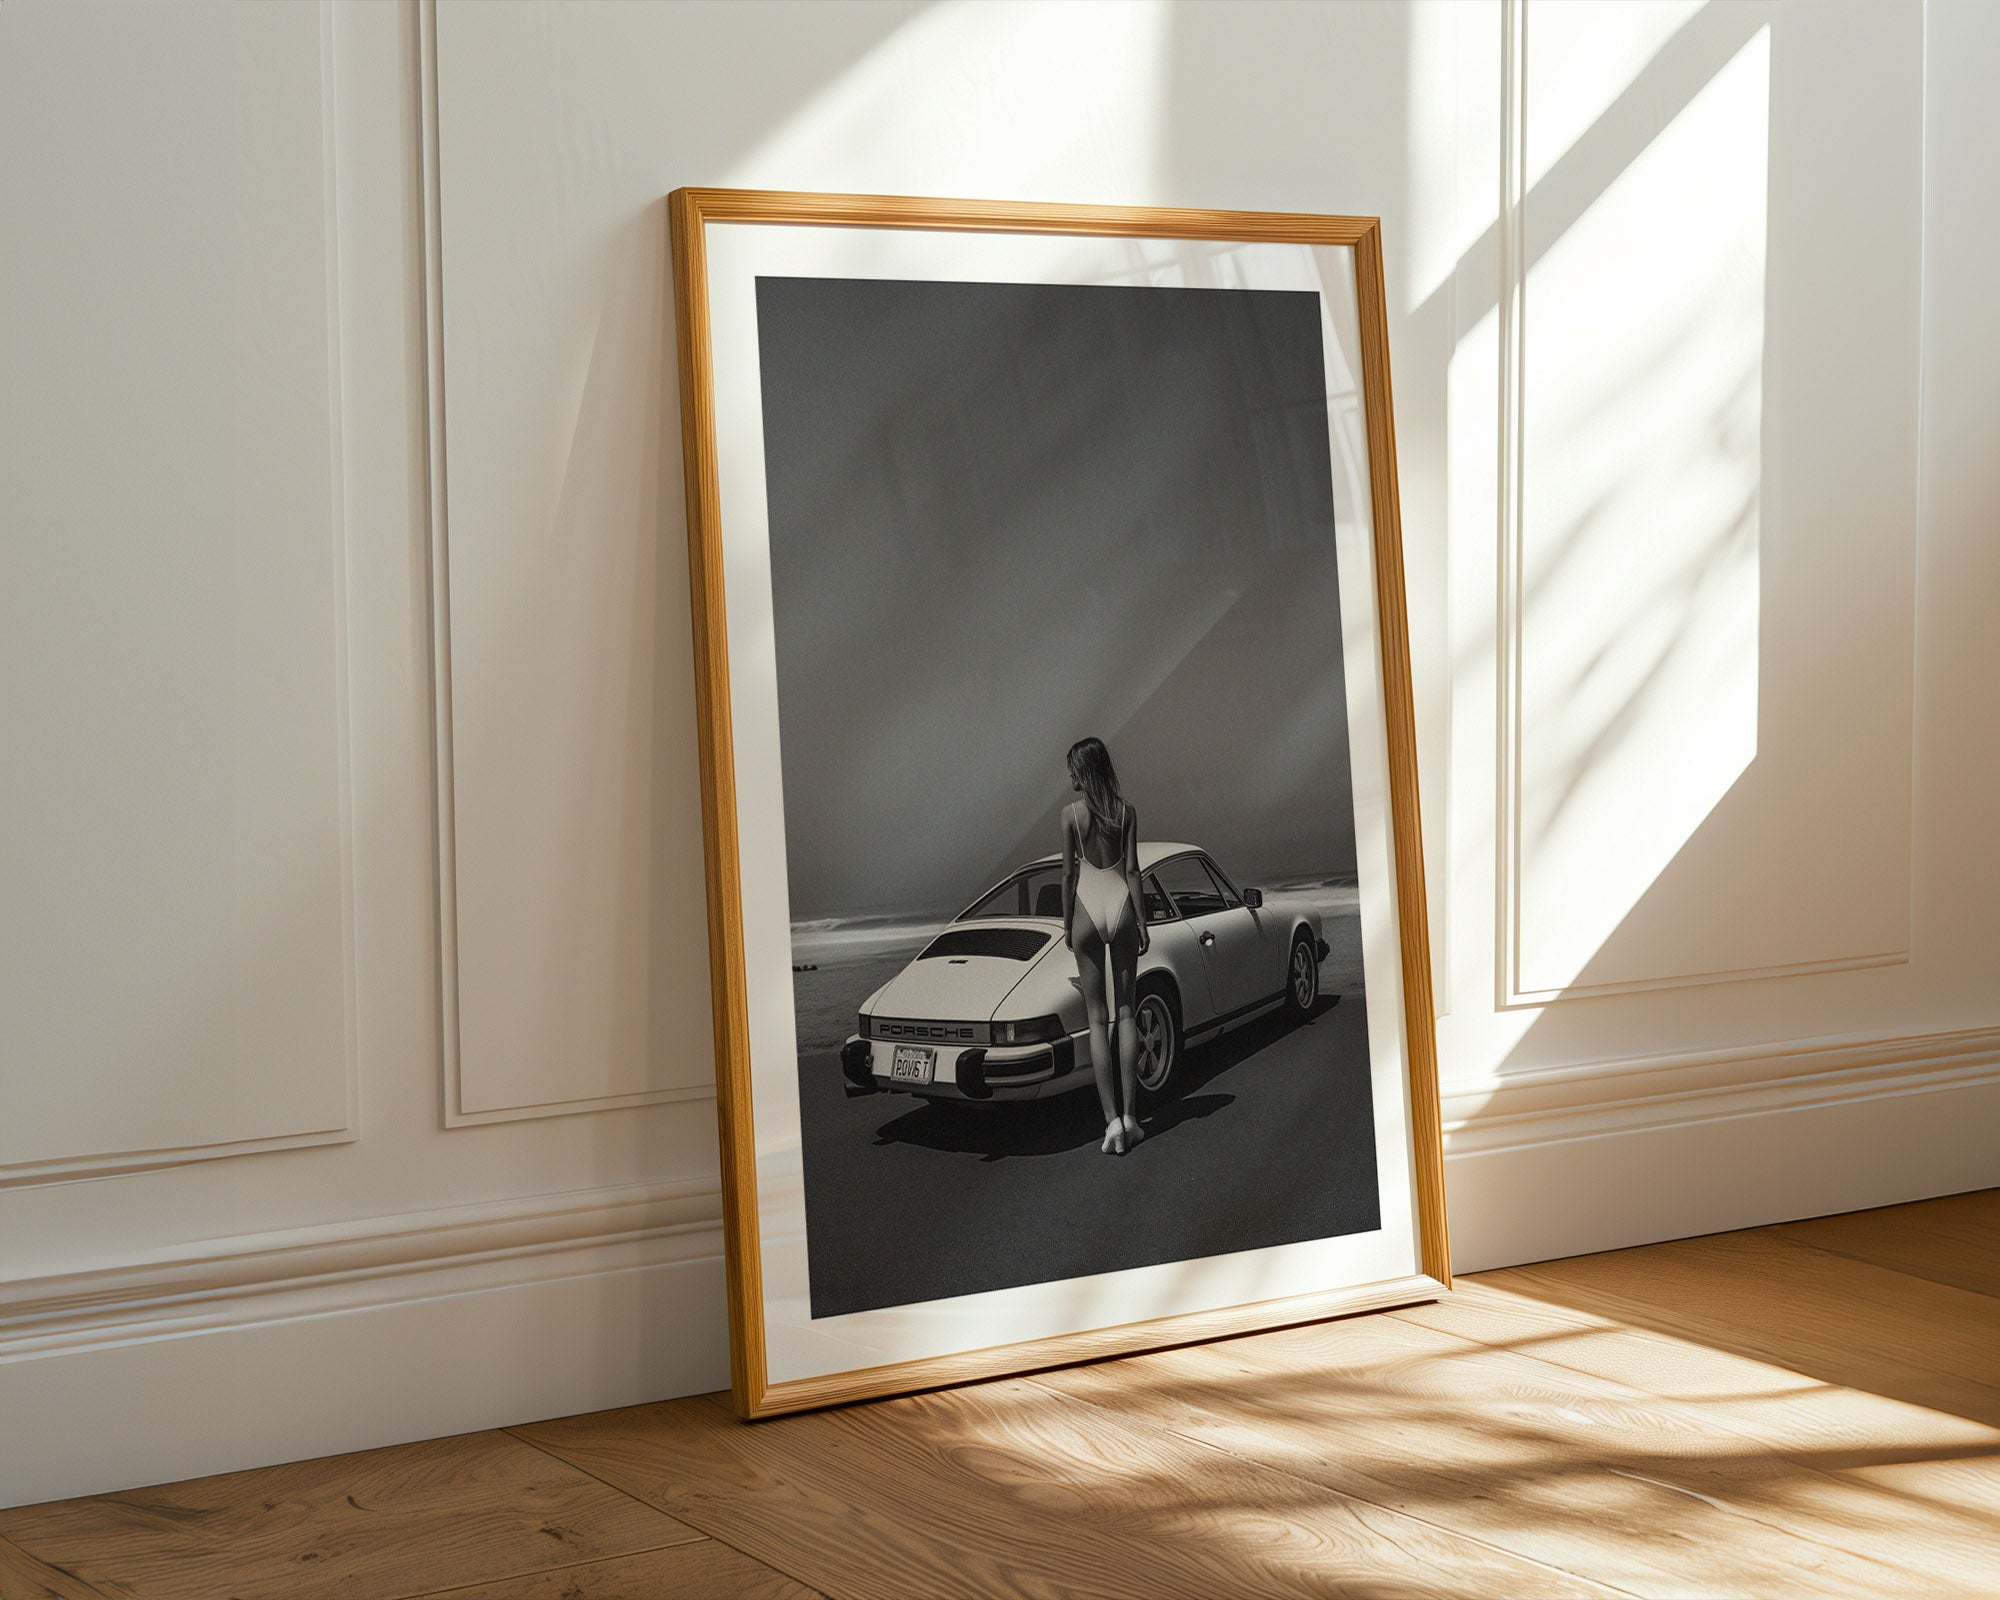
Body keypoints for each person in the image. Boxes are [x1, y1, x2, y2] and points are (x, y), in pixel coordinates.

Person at [1061, 736, 1149, 1155]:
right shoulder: (1126, 812)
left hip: (1086, 911)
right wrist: (1143, 921)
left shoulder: (1071, 817)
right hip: (1121, 906)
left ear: (1083, 772)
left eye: (1072, 770)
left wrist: (1066, 923)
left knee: (1097, 1020)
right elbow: (1132, 870)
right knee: (1127, 1012)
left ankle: (1110, 1121)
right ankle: (1132, 1119)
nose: (1070, 778)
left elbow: (1067, 877)